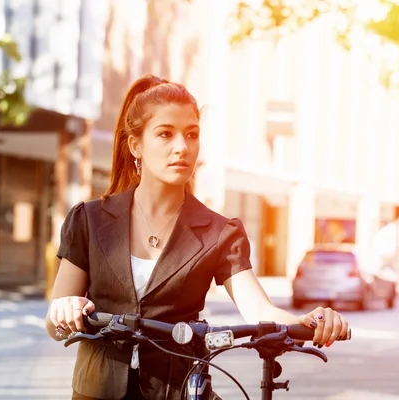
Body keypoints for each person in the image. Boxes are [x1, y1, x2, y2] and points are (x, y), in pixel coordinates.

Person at [45, 74, 349, 400]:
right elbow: (54, 324)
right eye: (165, 134)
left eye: (191, 135)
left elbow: (260, 310)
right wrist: (66, 309)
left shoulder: (219, 231)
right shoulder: (89, 220)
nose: (182, 147)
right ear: (136, 145)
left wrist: (308, 320)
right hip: (96, 393)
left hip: (179, 391)